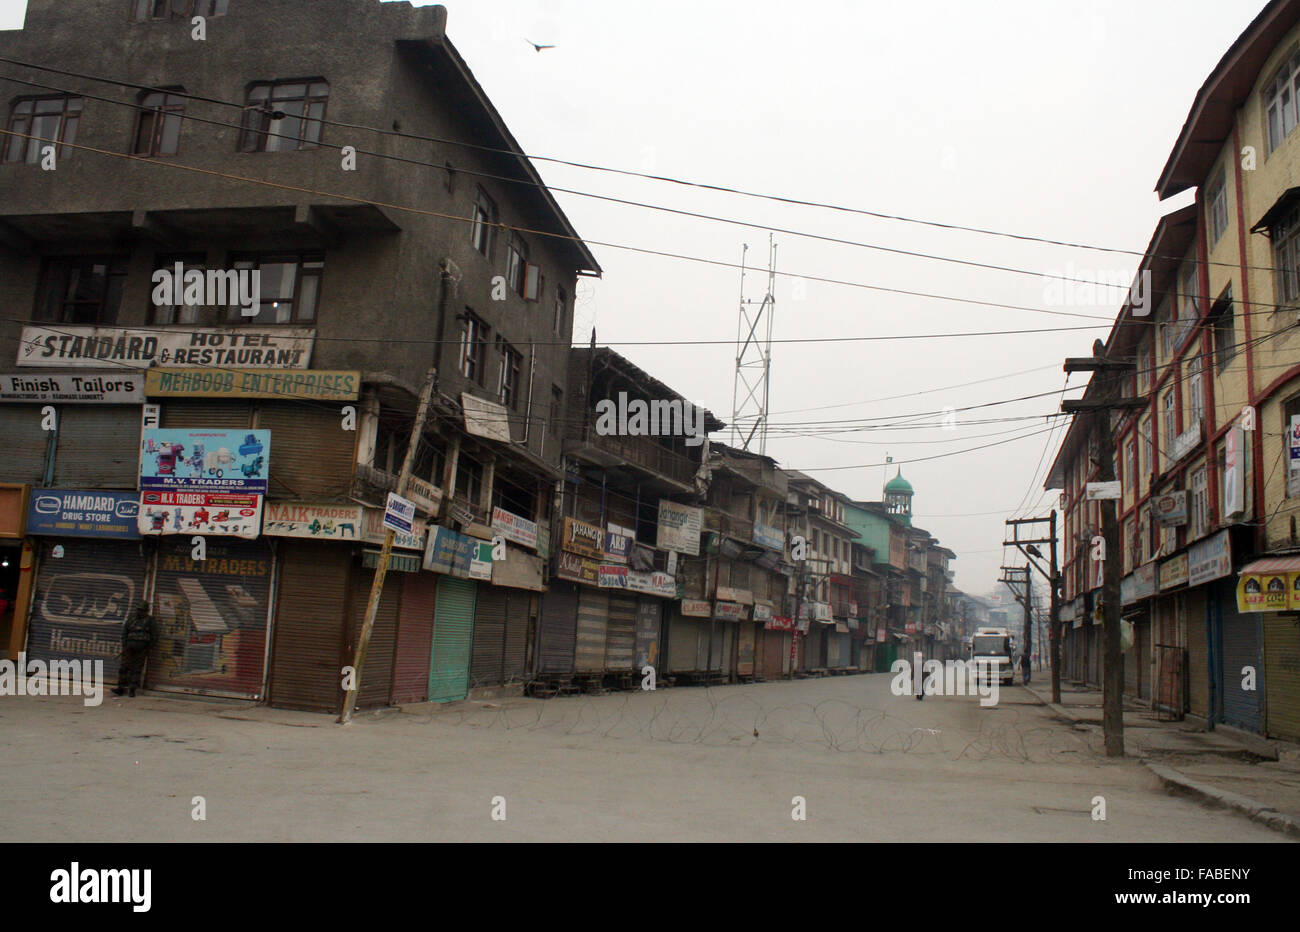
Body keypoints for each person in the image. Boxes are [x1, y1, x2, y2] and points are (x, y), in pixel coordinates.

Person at [113, 602, 158, 697]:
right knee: (124, 667)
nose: (139, 612)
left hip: (142, 648)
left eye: (142, 610)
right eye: (138, 610)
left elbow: (154, 636)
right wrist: (125, 644)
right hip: (129, 647)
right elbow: (125, 632)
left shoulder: (150, 621)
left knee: (137, 669)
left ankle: (132, 689)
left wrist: (148, 647)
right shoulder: (132, 619)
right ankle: (120, 687)